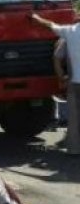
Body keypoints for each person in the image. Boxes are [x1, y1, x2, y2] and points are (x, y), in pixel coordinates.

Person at [31, 13, 80, 154]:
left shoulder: (71, 31)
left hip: (75, 82)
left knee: (74, 117)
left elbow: (51, 25)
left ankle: (75, 149)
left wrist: (37, 19)